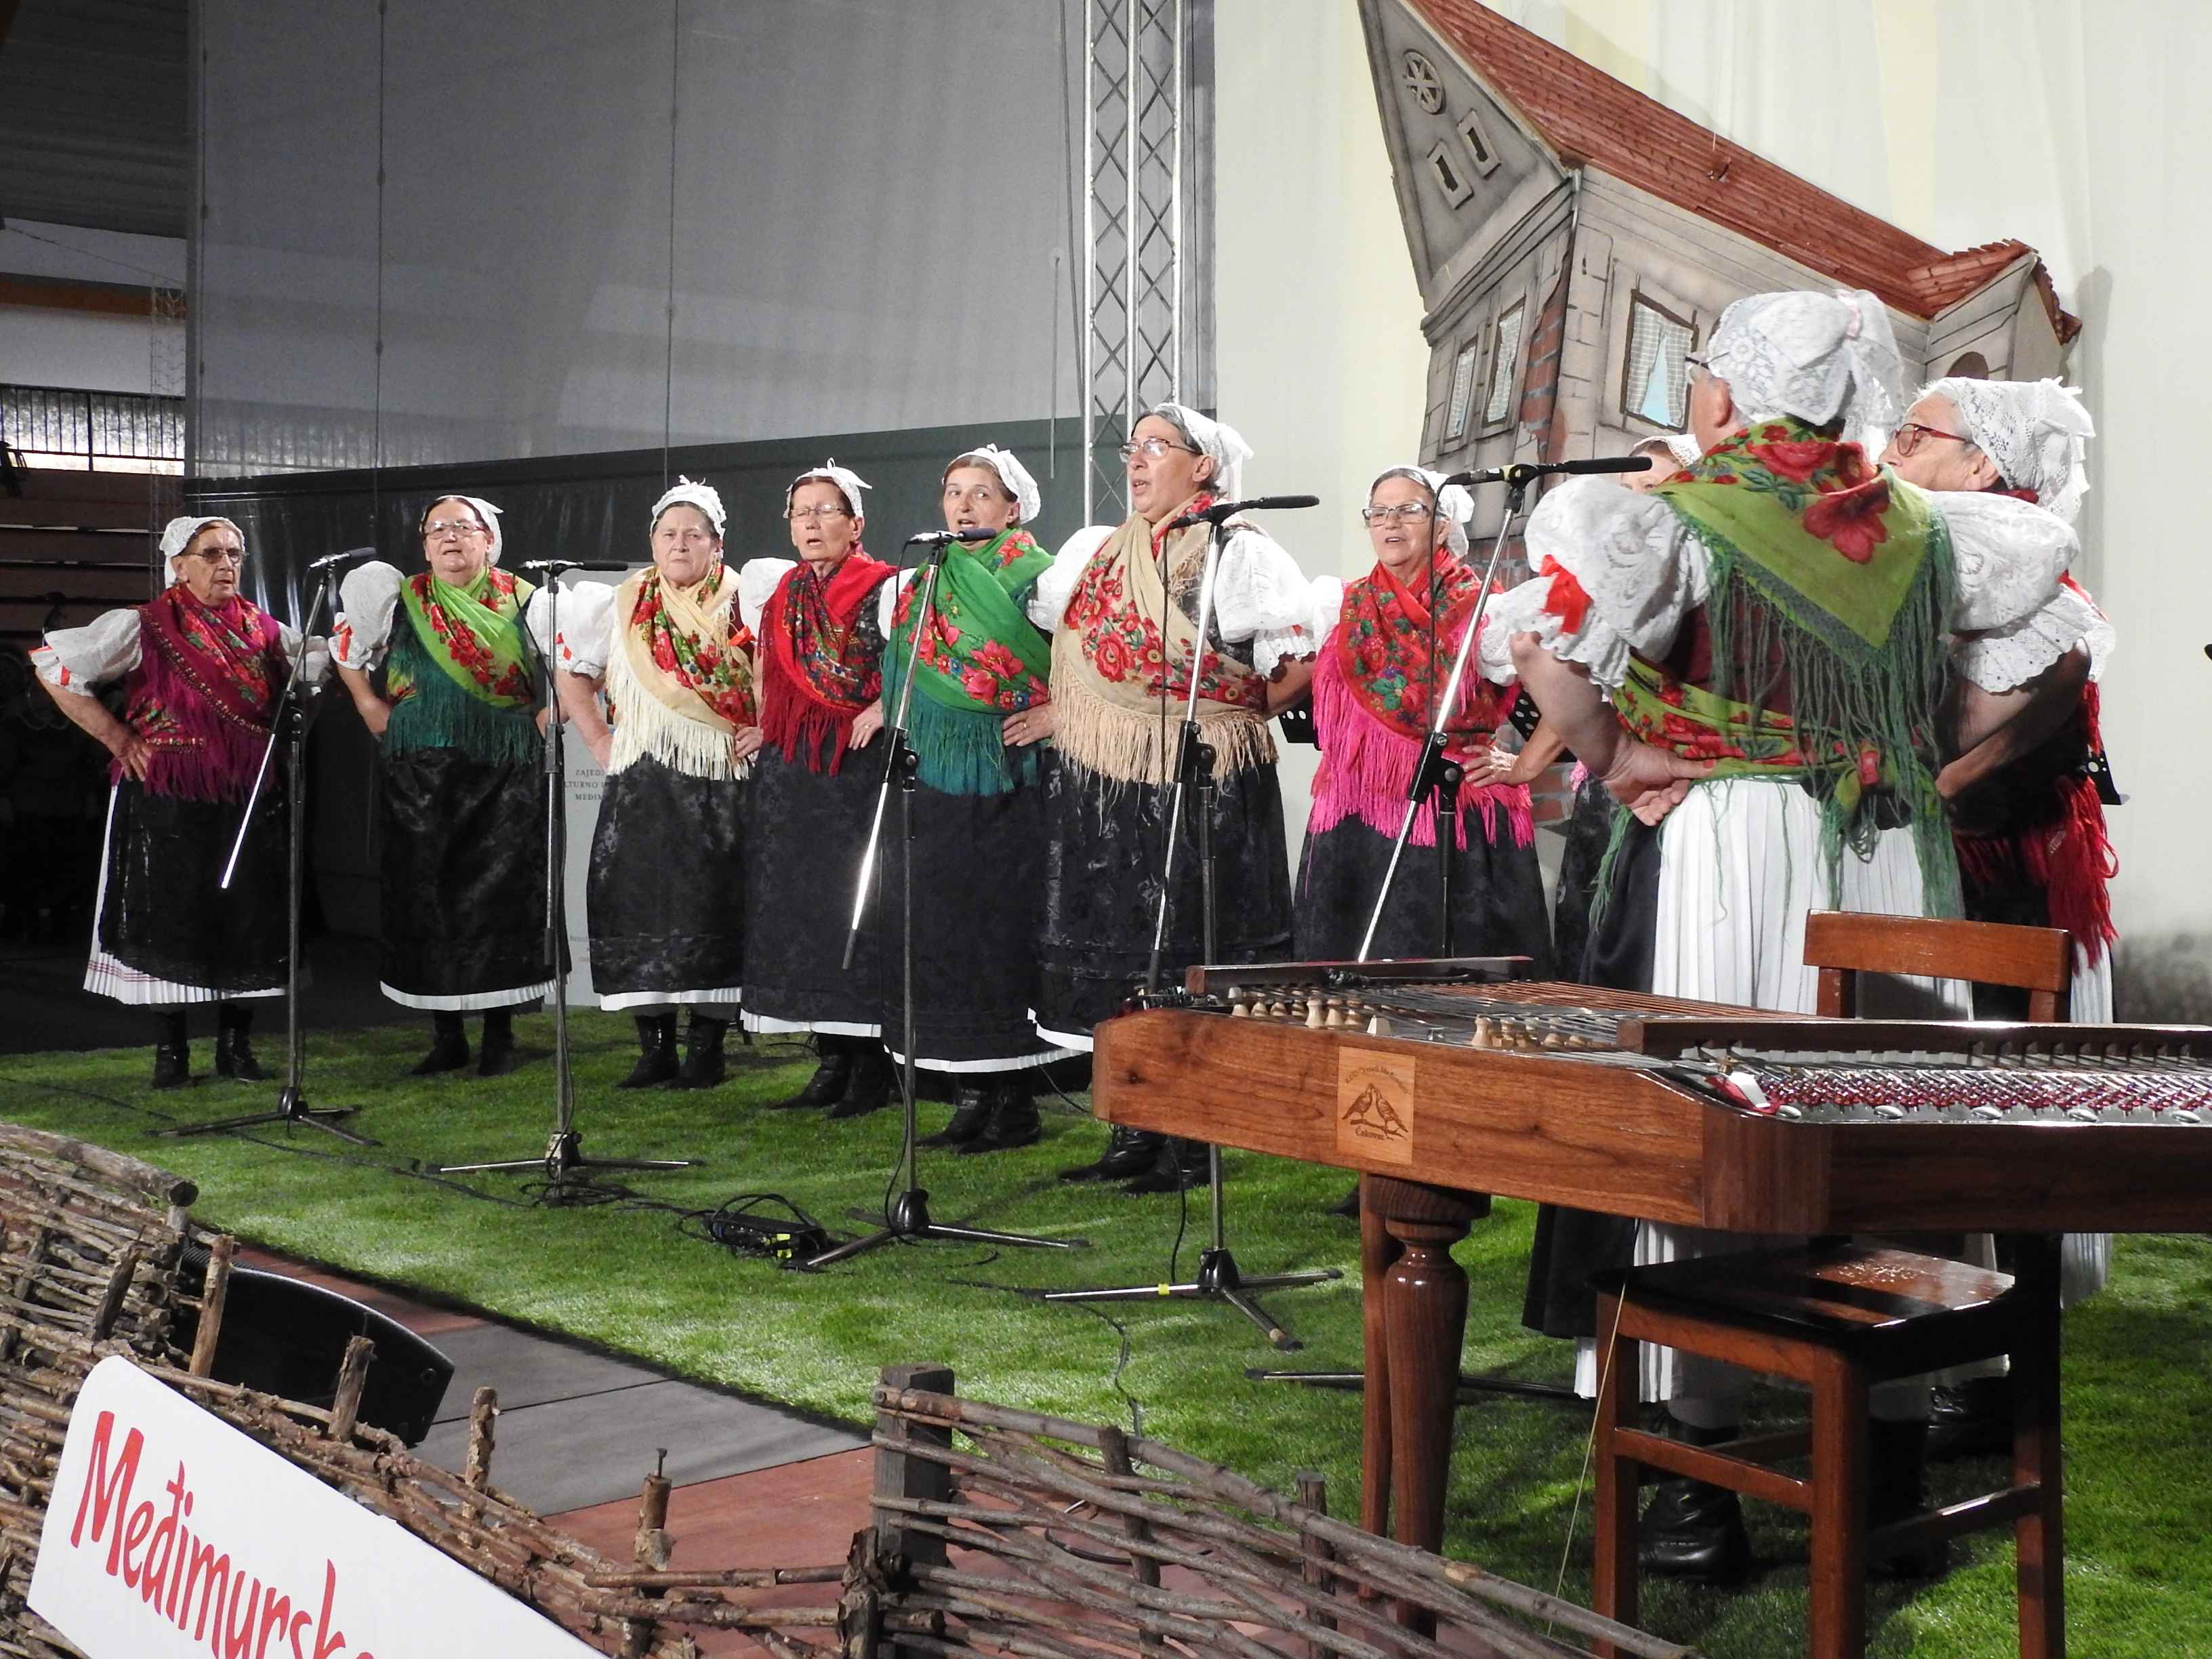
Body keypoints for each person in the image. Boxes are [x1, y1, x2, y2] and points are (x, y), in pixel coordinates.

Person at [1480, 289, 2090, 1584]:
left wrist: (1627, 752)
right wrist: (1916, 751)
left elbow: (1547, 655)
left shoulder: (1675, 516)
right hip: (1880, 846)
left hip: (1738, 840)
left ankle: (1699, 1484)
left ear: (1736, 387)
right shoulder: (1931, 525)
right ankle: (1883, 1457)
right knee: (1875, 1122)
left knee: (1727, 1130)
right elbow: (2034, 671)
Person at [1879, 375, 2113, 1454]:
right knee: (1935, 1125)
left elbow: (1974, 740)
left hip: (2001, 889)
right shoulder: (1946, 561)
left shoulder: (2035, 594)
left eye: (1916, 434)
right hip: (1952, 874)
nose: (1892, 445)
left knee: (1992, 1121)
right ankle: (1959, 1351)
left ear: (1983, 466)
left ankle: (2001, 1366)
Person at [1025, 403, 1315, 1193]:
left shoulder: (1238, 551)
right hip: (1110, 782)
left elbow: (1297, 664)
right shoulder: (1100, 552)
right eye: (1135, 447)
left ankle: (1194, 1137)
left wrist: (1238, 711)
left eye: (1159, 447)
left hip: (1204, 780)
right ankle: (1132, 1124)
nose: (1139, 460)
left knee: (1191, 948)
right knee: (1126, 949)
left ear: (1204, 466)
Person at [32, 516, 320, 1086]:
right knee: (171, 915)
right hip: (166, 796)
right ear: (179, 564)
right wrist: (117, 737)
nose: (226, 565)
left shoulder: (268, 632)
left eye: (234, 554)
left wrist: (285, 740)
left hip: (247, 796)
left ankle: (236, 1049)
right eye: (211, 554)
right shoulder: (143, 627)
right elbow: (56, 669)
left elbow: (312, 682)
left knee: (247, 915)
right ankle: (172, 1054)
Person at [848, 446, 1071, 1152]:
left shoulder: (1043, 582)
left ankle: (1015, 1098)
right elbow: (909, 665)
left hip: (1013, 781)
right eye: (953, 491)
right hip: (937, 781)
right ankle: (970, 1090)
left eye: (981, 493)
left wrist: (1057, 714)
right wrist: (893, 705)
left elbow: (1095, 668)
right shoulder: (916, 582)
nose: (964, 504)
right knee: (945, 929)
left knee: (1000, 931)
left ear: (1013, 509)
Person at [333, 496, 553, 1078]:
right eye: (438, 530)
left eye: (463, 528)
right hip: (420, 770)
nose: (450, 539)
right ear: (425, 544)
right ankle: (446, 1034)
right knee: (426, 893)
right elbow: (347, 649)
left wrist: (544, 718)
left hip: (505, 771)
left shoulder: (529, 600)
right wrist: (367, 705)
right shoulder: (399, 599)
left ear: (489, 539)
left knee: (501, 898)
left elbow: (574, 668)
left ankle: (501, 1035)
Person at [1296, 465, 1549, 968]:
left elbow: (1564, 693)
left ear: (1442, 525)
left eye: (1410, 510)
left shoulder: (1483, 610)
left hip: (1449, 812)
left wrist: (1524, 766)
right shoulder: (1341, 604)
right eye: (1379, 512)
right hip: (1355, 818)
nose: (1392, 523)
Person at [550, 478, 757, 1090]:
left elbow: (778, 676)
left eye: (694, 534)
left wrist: (765, 725)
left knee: (718, 904)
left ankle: (708, 1048)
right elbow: (572, 673)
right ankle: (654, 1046)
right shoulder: (621, 603)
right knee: (636, 903)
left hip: (721, 780)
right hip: (642, 781)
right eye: (669, 534)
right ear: (652, 542)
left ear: (717, 543)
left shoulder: (750, 601)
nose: (680, 544)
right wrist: (596, 739)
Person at [1487, 432, 1702, 979]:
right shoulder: (1615, 573)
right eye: (1627, 488)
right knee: (1592, 933)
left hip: (1676, 782)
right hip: (1610, 782)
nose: (1636, 503)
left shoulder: (1685, 571)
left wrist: (1533, 765)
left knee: (1651, 942)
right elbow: (1571, 672)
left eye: (1652, 486)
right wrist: (1527, 765)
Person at [737, 462, 897, 1116]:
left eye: (825, 510)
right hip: (795, 773)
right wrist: (764, 725)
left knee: (857, 909)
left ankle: (872, 1066)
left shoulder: (887, 587)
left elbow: (917, 659)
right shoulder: (781, 594)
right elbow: (768, 674)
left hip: (856, 770)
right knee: (803, 911)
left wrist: (883, 705)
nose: (810, 522)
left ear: (855, 524)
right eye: (801, 512)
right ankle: (830, 1056)